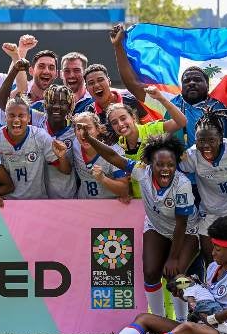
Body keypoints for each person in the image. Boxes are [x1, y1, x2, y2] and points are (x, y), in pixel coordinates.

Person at [76, 216, 227, 334]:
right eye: (213, 247)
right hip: (201, 332)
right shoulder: (214, 267)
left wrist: (213, 318)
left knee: (186, 327)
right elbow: (207, 299)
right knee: (144, 318)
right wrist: (187, 294)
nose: (213, 252)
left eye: (218, 249)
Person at [111, 19, 227, 146]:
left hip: (216, 178)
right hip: (181, 178)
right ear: (181, 86)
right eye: (187, 80)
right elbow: (133, 84)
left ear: (208, 86)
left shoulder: (223, 100)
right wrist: (118, 45)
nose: (191, 83)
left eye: (197, 80)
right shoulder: (170, 102)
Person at [84, 133, 198, 320]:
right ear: (150, 164)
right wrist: (89, 139)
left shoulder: (182, 185)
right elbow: (114, 157)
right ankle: (158, 321)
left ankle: (181, 322)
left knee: (176, 275)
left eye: (170, 165)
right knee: (151, 272)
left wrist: (173, 258)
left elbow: (181, 224)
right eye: (159, 164)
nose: (165, 169)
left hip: (187, 231)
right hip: (157, 226)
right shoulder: (141, 172)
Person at [178, 108, 227, 266]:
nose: (206, 146)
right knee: (212, 262)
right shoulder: (192, 156)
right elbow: (169, 166)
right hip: (210, 212)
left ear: (220, 138)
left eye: (211, 140)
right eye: (201, 141)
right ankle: (214, 290)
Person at [0, 60, 71, 199]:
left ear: (29, 117)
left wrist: (61, 157)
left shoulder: (40, 136)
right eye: (11, 115)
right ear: (5, 117)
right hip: (6, 205)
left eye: (21, 116)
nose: (16, 120)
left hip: (36, 204)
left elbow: (66, 171)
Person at [106, 88, 186, 197]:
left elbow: (181, 122)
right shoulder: (119, 145)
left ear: (133, 117)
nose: (120, 124)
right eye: (114, 122)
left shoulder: (152, 129)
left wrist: (162, 99)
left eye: (123, 118)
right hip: (140, 201)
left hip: (166, 198)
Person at [82, 63, 155, 143]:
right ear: (86, 88)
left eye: (100, 80)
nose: (96, 85)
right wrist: (98, 134)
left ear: (109, 81)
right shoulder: (89, 112)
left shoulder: (132, 101)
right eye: (91, 83)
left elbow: (151, 128)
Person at [71, 112, 130, 200]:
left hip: (109, 206)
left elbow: (124, 190)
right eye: (79, 129)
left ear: (98, 129)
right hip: (83, 204)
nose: (83, 132)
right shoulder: (75, 144)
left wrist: (103, 179)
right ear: (75, 132)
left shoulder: (114, 151)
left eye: (88, 128)